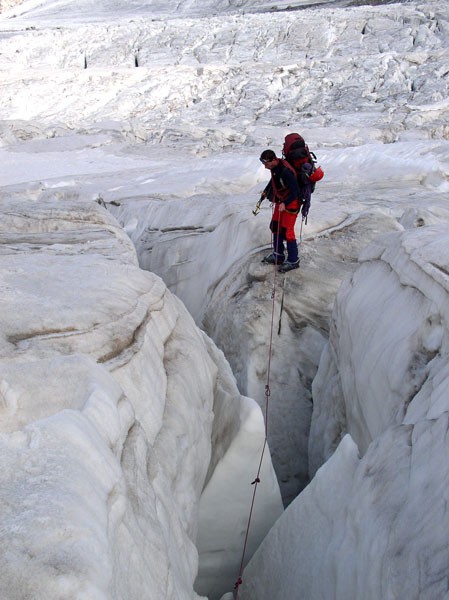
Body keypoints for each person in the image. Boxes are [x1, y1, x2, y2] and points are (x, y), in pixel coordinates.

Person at [259, 149, 301, 272]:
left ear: (273, 160)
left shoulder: (286, 171)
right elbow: (273, 181)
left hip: (291, 203)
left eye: (266, 164)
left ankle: (294, 260)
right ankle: (278, 255)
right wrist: (266, 192)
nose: (265, 167)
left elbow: (296, 192)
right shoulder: (275, 168)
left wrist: (285, 203)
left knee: (288, 231)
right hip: (281, 201)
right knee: (275, 226)